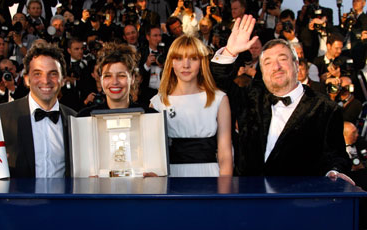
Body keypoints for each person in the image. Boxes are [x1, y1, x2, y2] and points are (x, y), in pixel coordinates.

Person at [210, 15, 351, 180]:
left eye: (282, 60)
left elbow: (336, 156)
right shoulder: (250, 97)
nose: (276, 67)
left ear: (296, 65)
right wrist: (230, 51)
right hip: (250, 197)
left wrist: (334, 173)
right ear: (262, 73)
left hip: (298, 200)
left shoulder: (325, 107)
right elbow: (216, 81)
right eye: (268, 62)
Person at [0, 43, 76, 185]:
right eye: (37, 73)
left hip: (62, 205)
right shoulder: (3, 114)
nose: (45, 81)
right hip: (17, 204)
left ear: (62, 79)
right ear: (26, 79)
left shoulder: (75, 119)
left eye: (53, 73)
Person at [150, 35, 232, 177]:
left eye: (193, 58)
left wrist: (224, 195)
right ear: (171, 63)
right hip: (171, 178)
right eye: (179, 58)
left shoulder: (219, 99)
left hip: (210, 176)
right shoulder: (157, 102)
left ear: (201, 62)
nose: (185, 65)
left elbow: (225, 154)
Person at [77, 42, 154, 116]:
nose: (114, 82)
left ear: (132, 78)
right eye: (108, 76)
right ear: (101, 79)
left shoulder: (149, 115)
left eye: (121, 75)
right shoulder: (85, 116)